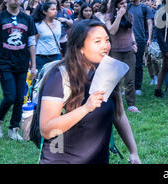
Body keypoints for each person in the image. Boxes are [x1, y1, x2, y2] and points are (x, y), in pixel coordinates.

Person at [38, 19, 141, 164]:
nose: (105, 46)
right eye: (97, 41)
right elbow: (47, 129)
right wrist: (86, 108)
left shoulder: (108, 71)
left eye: (107, 40)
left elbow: (119, 115)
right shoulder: (60, 77)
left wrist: (133, 151)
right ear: (80, 47)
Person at [0, 0, 38, 141]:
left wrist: (34, 65)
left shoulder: (27, 19)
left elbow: (31, 43)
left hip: (22, 64)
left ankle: (14, 128)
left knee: (19, 98)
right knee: (10, 96)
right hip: (4, 63)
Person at [105, 0, 139, 113]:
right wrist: (119, 16)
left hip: (128, 50)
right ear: (115, 6)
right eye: (121, 3)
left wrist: (134, 42)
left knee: (130, 79)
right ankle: (115, 104)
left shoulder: (130, 16)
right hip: (115, 51)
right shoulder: (109, 16)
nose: (124, 5)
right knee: (115, 80)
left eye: (125, 2)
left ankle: (131, 104)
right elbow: (112, 31)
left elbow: (131, 32)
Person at [127, 0, 154, 96]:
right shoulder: (127, 7)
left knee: (138, 64)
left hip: (140, 39)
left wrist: (149, 38)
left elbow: (149, 23)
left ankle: (138, 87)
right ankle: (128, 86)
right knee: (128, 64)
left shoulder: (144, 8)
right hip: (127, 40)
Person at [33, 1, 62, 73]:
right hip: (41, 56)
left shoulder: (58, 23)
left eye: (56, 9)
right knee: (41, 79)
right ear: (45, 12)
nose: (55, 11)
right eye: (52, 9)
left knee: (55, 79)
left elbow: (58, 39)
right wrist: (31, 60)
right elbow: (34, 43)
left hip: (56, 55)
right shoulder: (38, 25)